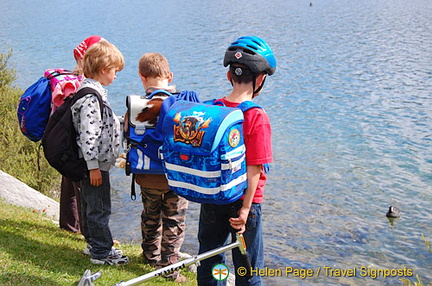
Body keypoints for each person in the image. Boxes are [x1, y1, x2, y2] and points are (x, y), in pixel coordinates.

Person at [197, 36, 276, 286]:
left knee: (211, 258)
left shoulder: (212, 108)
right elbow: (254, 168)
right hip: (244, 203)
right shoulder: (256, 116)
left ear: (228, 75)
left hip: (213, 197)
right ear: (260, 79)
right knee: (247, 267)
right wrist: (244, 210)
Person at [71, 40, 129, 265]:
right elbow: (89, 134)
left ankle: (94, 243)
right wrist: (93, 166)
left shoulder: (91, 92)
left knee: (89, 205)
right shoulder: (91, 98)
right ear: (104, 70)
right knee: (99, 208)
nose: (116, 76)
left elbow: (100, 124)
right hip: (95, 165)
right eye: (115, 71)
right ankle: (101, 253)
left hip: (92, 164)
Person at [133, 52, 188, 282]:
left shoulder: (139, 106)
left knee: (151, 215)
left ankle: (149, 255)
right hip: (175, 177)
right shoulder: (180, 105)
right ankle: (169, 267)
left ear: (142, 77)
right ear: (170, 76)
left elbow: (130, 134)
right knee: (174, 220)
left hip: (147, 176)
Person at [59, 35, 105, 234]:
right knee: (81, 187)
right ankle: (87, 231)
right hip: (79, 146)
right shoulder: (83, 86)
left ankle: (70, 226)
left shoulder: (71, 81)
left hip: (66, 142)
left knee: (69, 184)